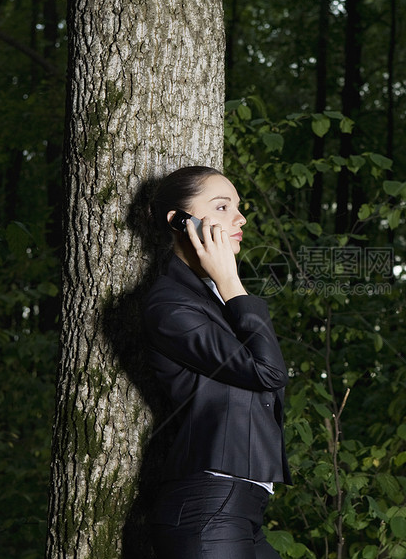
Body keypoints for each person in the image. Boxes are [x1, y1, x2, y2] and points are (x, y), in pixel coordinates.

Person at [142, 166, 291, 558]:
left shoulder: (209, 299)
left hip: (239, 509)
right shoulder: (170, 305)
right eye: (222, 207)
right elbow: (268, 372)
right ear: (180, 221)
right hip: (208, 511)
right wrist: (231, 281)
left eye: (238, 208)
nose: (239, 219)